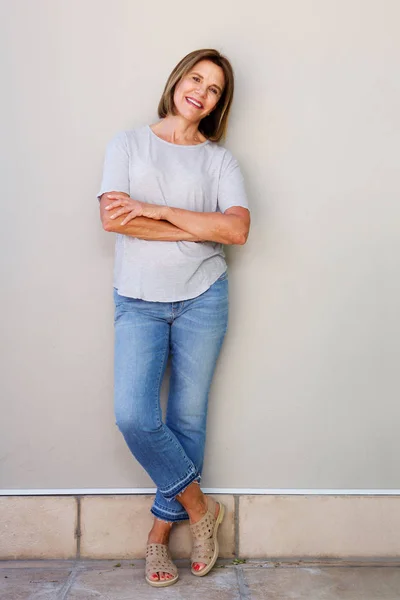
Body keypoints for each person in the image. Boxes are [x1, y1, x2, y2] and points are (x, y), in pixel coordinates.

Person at [97, 48, 250, 588]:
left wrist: (156, 210)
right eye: (196, 79)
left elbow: (235, 231)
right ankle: (203, 509)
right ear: (177, 80)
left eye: (213, 89)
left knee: (187, 421)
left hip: (203, 296)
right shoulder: (129, 144)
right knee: (135, 416)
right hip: (137, 298)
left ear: (216, 104)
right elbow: (114, 219)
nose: (201, 92)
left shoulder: (219, 160)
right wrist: (198, 226)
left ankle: (158, 538)